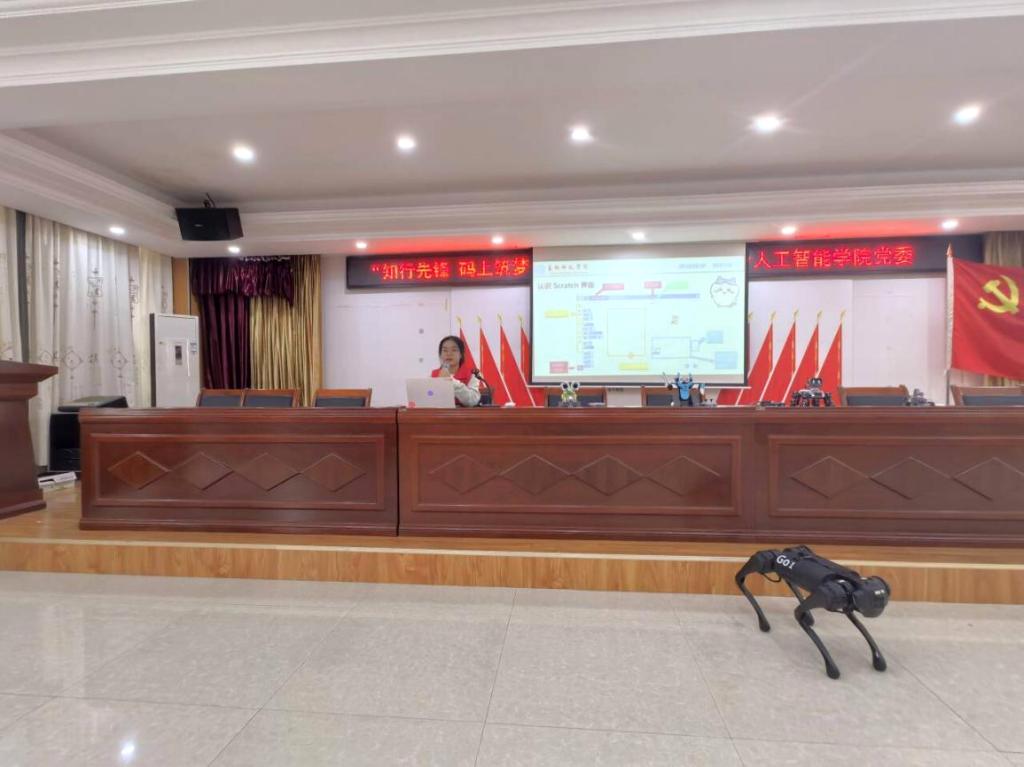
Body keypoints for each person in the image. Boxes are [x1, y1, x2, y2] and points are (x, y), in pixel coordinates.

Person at [432, 335, 481, 407]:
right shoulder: (434, 375)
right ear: (440, 355)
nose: (449, 354)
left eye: (454, 350)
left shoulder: (473, 374)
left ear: (461, 354)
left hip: (463, 413)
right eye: (445, 350)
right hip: (439, 413)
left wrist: (451, 381)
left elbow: (472, 401)